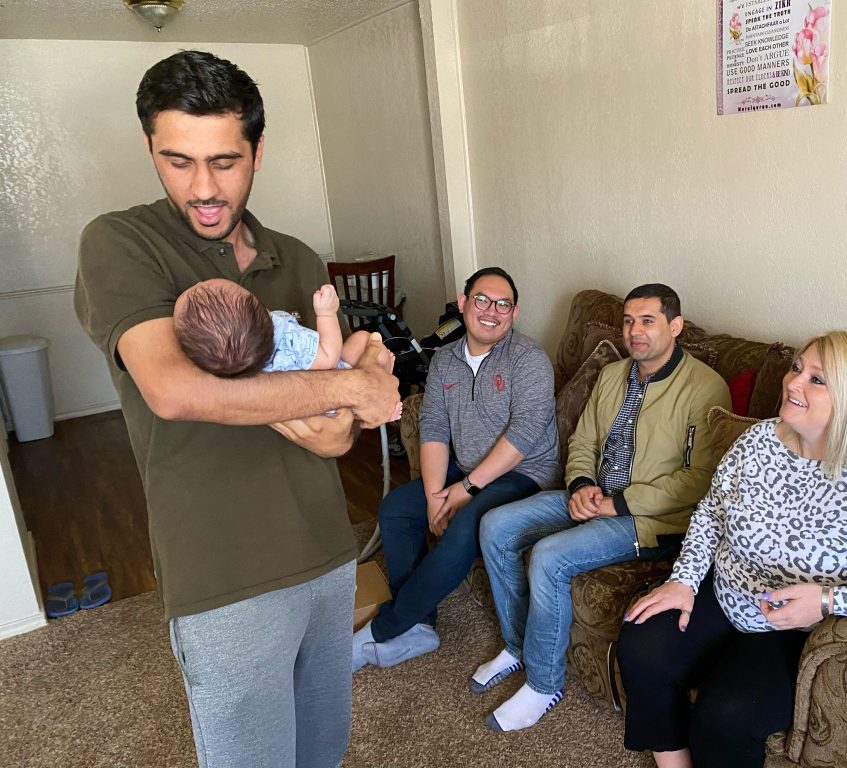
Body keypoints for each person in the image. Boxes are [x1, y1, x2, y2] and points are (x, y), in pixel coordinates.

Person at [74, 50, 400, 768]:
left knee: (322, 750)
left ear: (257, 149)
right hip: (223, 573)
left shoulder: (299, 259)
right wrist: (349, 388)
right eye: (177, 161)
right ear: (150, 149)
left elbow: (333, 443)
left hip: (324, 550)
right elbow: (175, 391)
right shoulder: (123, 243)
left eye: (225, 161)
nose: (203, 188)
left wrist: (346, 394)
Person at [617, 330, 847, 768]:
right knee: (640, 643)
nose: (793, 383)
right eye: (797, 368)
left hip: (796, 629)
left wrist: (830, 599)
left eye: (817, 379)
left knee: (726, 714)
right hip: (728, 590)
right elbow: (713, 510)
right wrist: (684, 580)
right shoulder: (757, 442)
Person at [473, 283, 732, 732]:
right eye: (629, 321)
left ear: (675, 326)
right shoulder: (614, 374)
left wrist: (617, 503)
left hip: (649, 519)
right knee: (496, 524)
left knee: (550, 557)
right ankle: (517, 647)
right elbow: (585, 441)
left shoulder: (705, 388)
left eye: (647, 321)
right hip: (596, 496)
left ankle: (543, 683)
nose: (635, 331)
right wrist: (580, 485)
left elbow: (698, 481)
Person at [351, 267, 562, 670]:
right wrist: (434, 498)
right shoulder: (445, 360)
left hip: (525, 477)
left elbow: (525, 435)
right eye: (482, 299)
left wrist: (465, 489)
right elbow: (433, 427)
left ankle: (387, 628)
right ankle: (421, 625)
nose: (492, 311)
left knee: (466, 526)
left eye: (504, 304)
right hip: (466, 468)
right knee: (397, 509)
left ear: (514, 314)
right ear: (463, 305)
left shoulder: (529, 360)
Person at [173, 278, 379, 375]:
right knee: (364, 339)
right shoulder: (284, 335)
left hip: (309, 411)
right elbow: (329, 356)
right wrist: (327, 313)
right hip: (338, 381)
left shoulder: (237, 368)